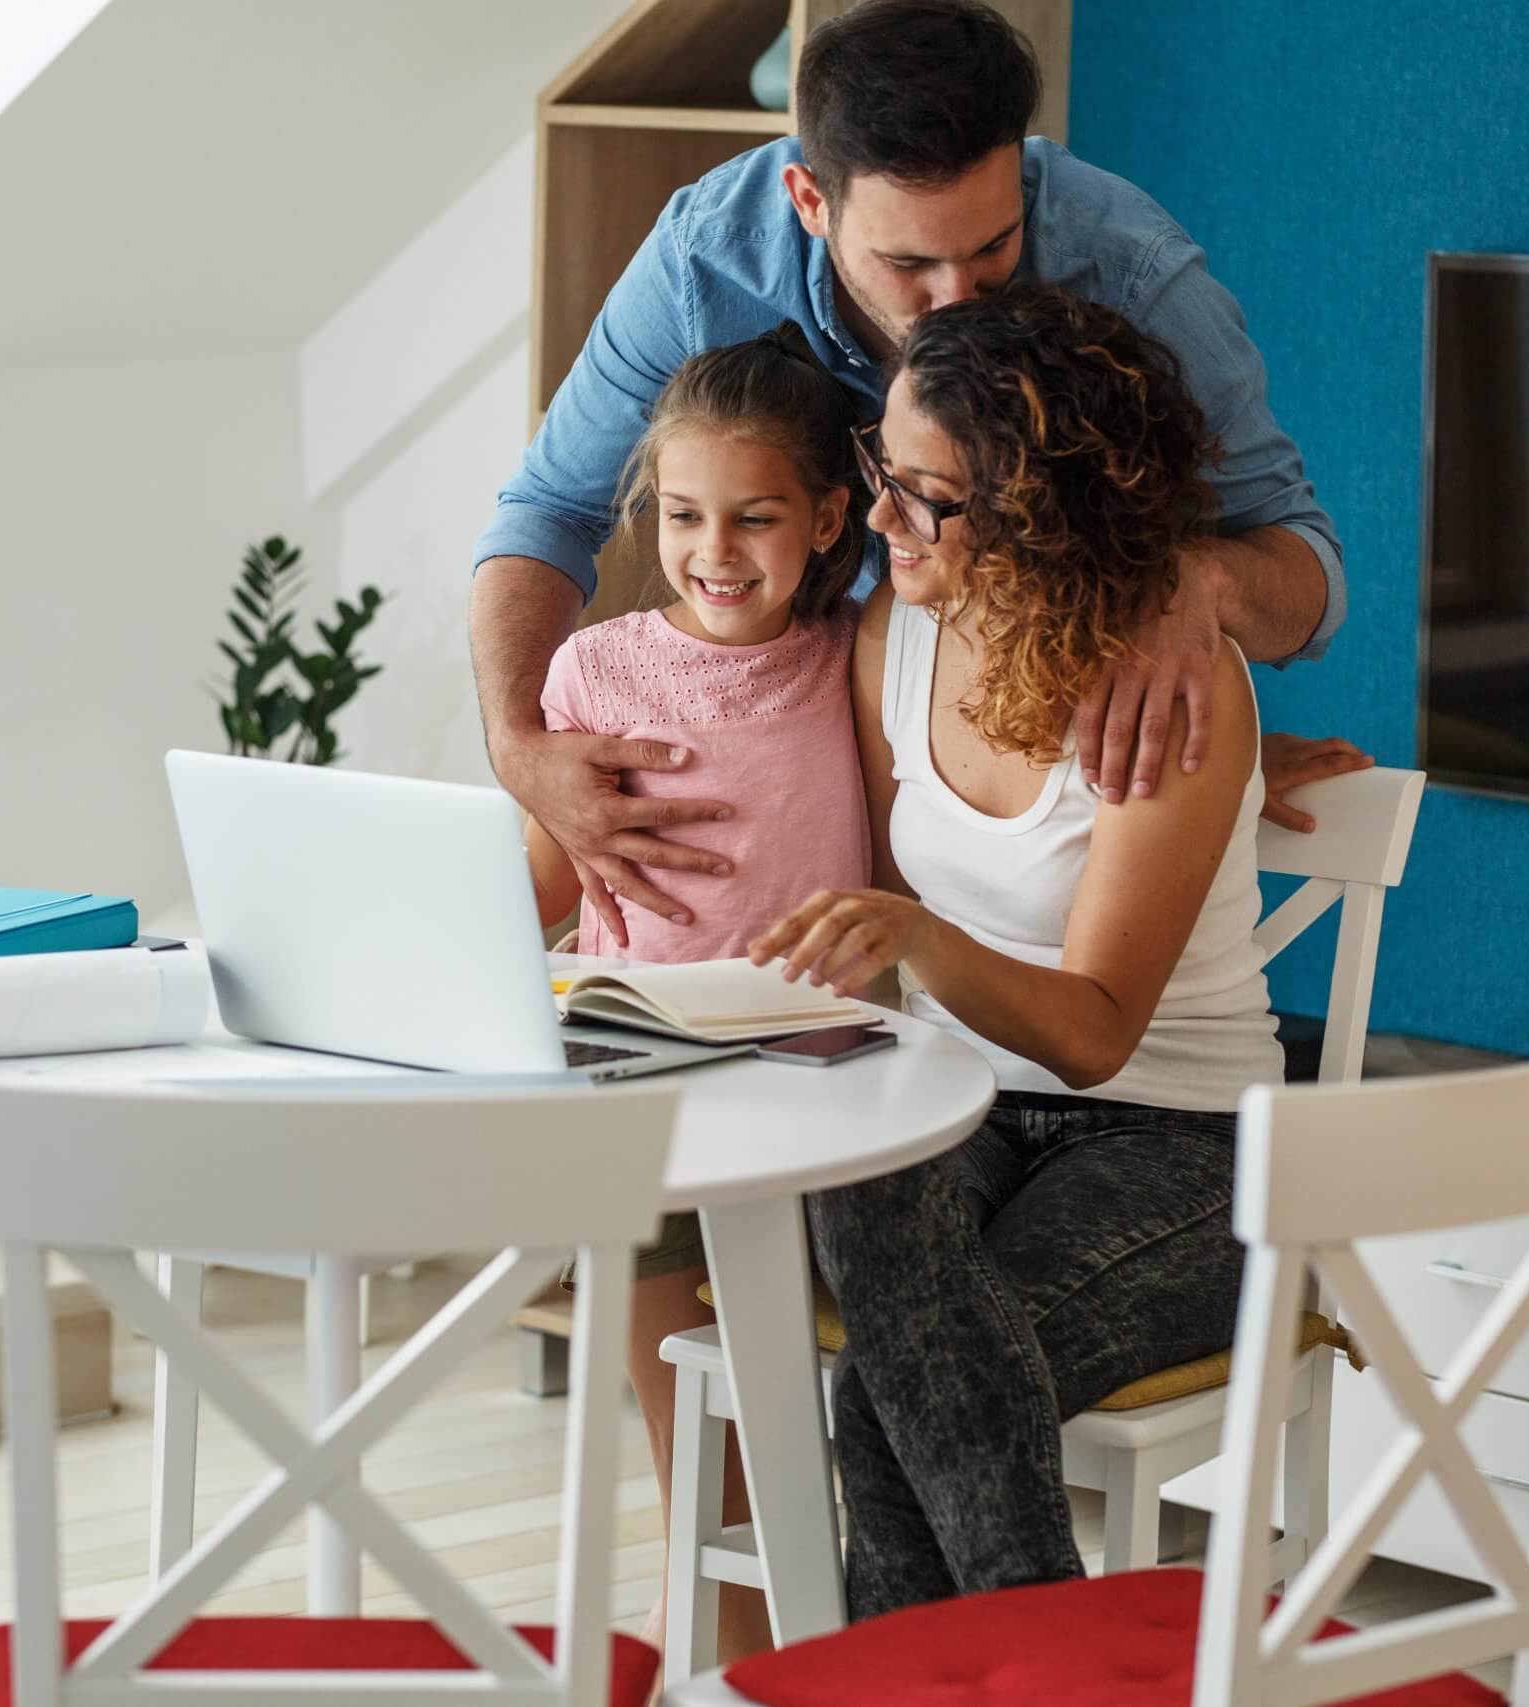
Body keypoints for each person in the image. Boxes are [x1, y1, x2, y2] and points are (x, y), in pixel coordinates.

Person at [473, 0, 1368, 954]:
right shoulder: (706, 263)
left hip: (1024, 771)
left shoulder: (1131, 271)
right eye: (908, 261)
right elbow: (549, 508)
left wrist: (1200, 584)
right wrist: (520, 750)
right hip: (843, 752)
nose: (952, 302)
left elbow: (1308, 570)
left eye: (992, 248)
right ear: (810, 202)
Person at [748, 284, 1286, 1617]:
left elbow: (1101, 1025)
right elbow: (872, 901)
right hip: (966, 1102)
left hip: (1183, 1143)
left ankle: (996, 1676)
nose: (880, 517)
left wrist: (919, 939)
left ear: (1041, 507)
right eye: (884, 466)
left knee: (898, 1390)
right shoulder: (899, 630)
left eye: (922, 495)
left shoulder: (1174, 682)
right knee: (860, 1201)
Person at [522, 324, 868, 1660]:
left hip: (818, 1066)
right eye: (681, 515)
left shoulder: (859, 657)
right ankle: (710, 1567)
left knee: (773, 1318)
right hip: (642, 1058)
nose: (714, 549)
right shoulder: (595, 670)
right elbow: (549, 878)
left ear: (830, 514)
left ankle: (768, 1577)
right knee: (637, 1231)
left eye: (754, 516)